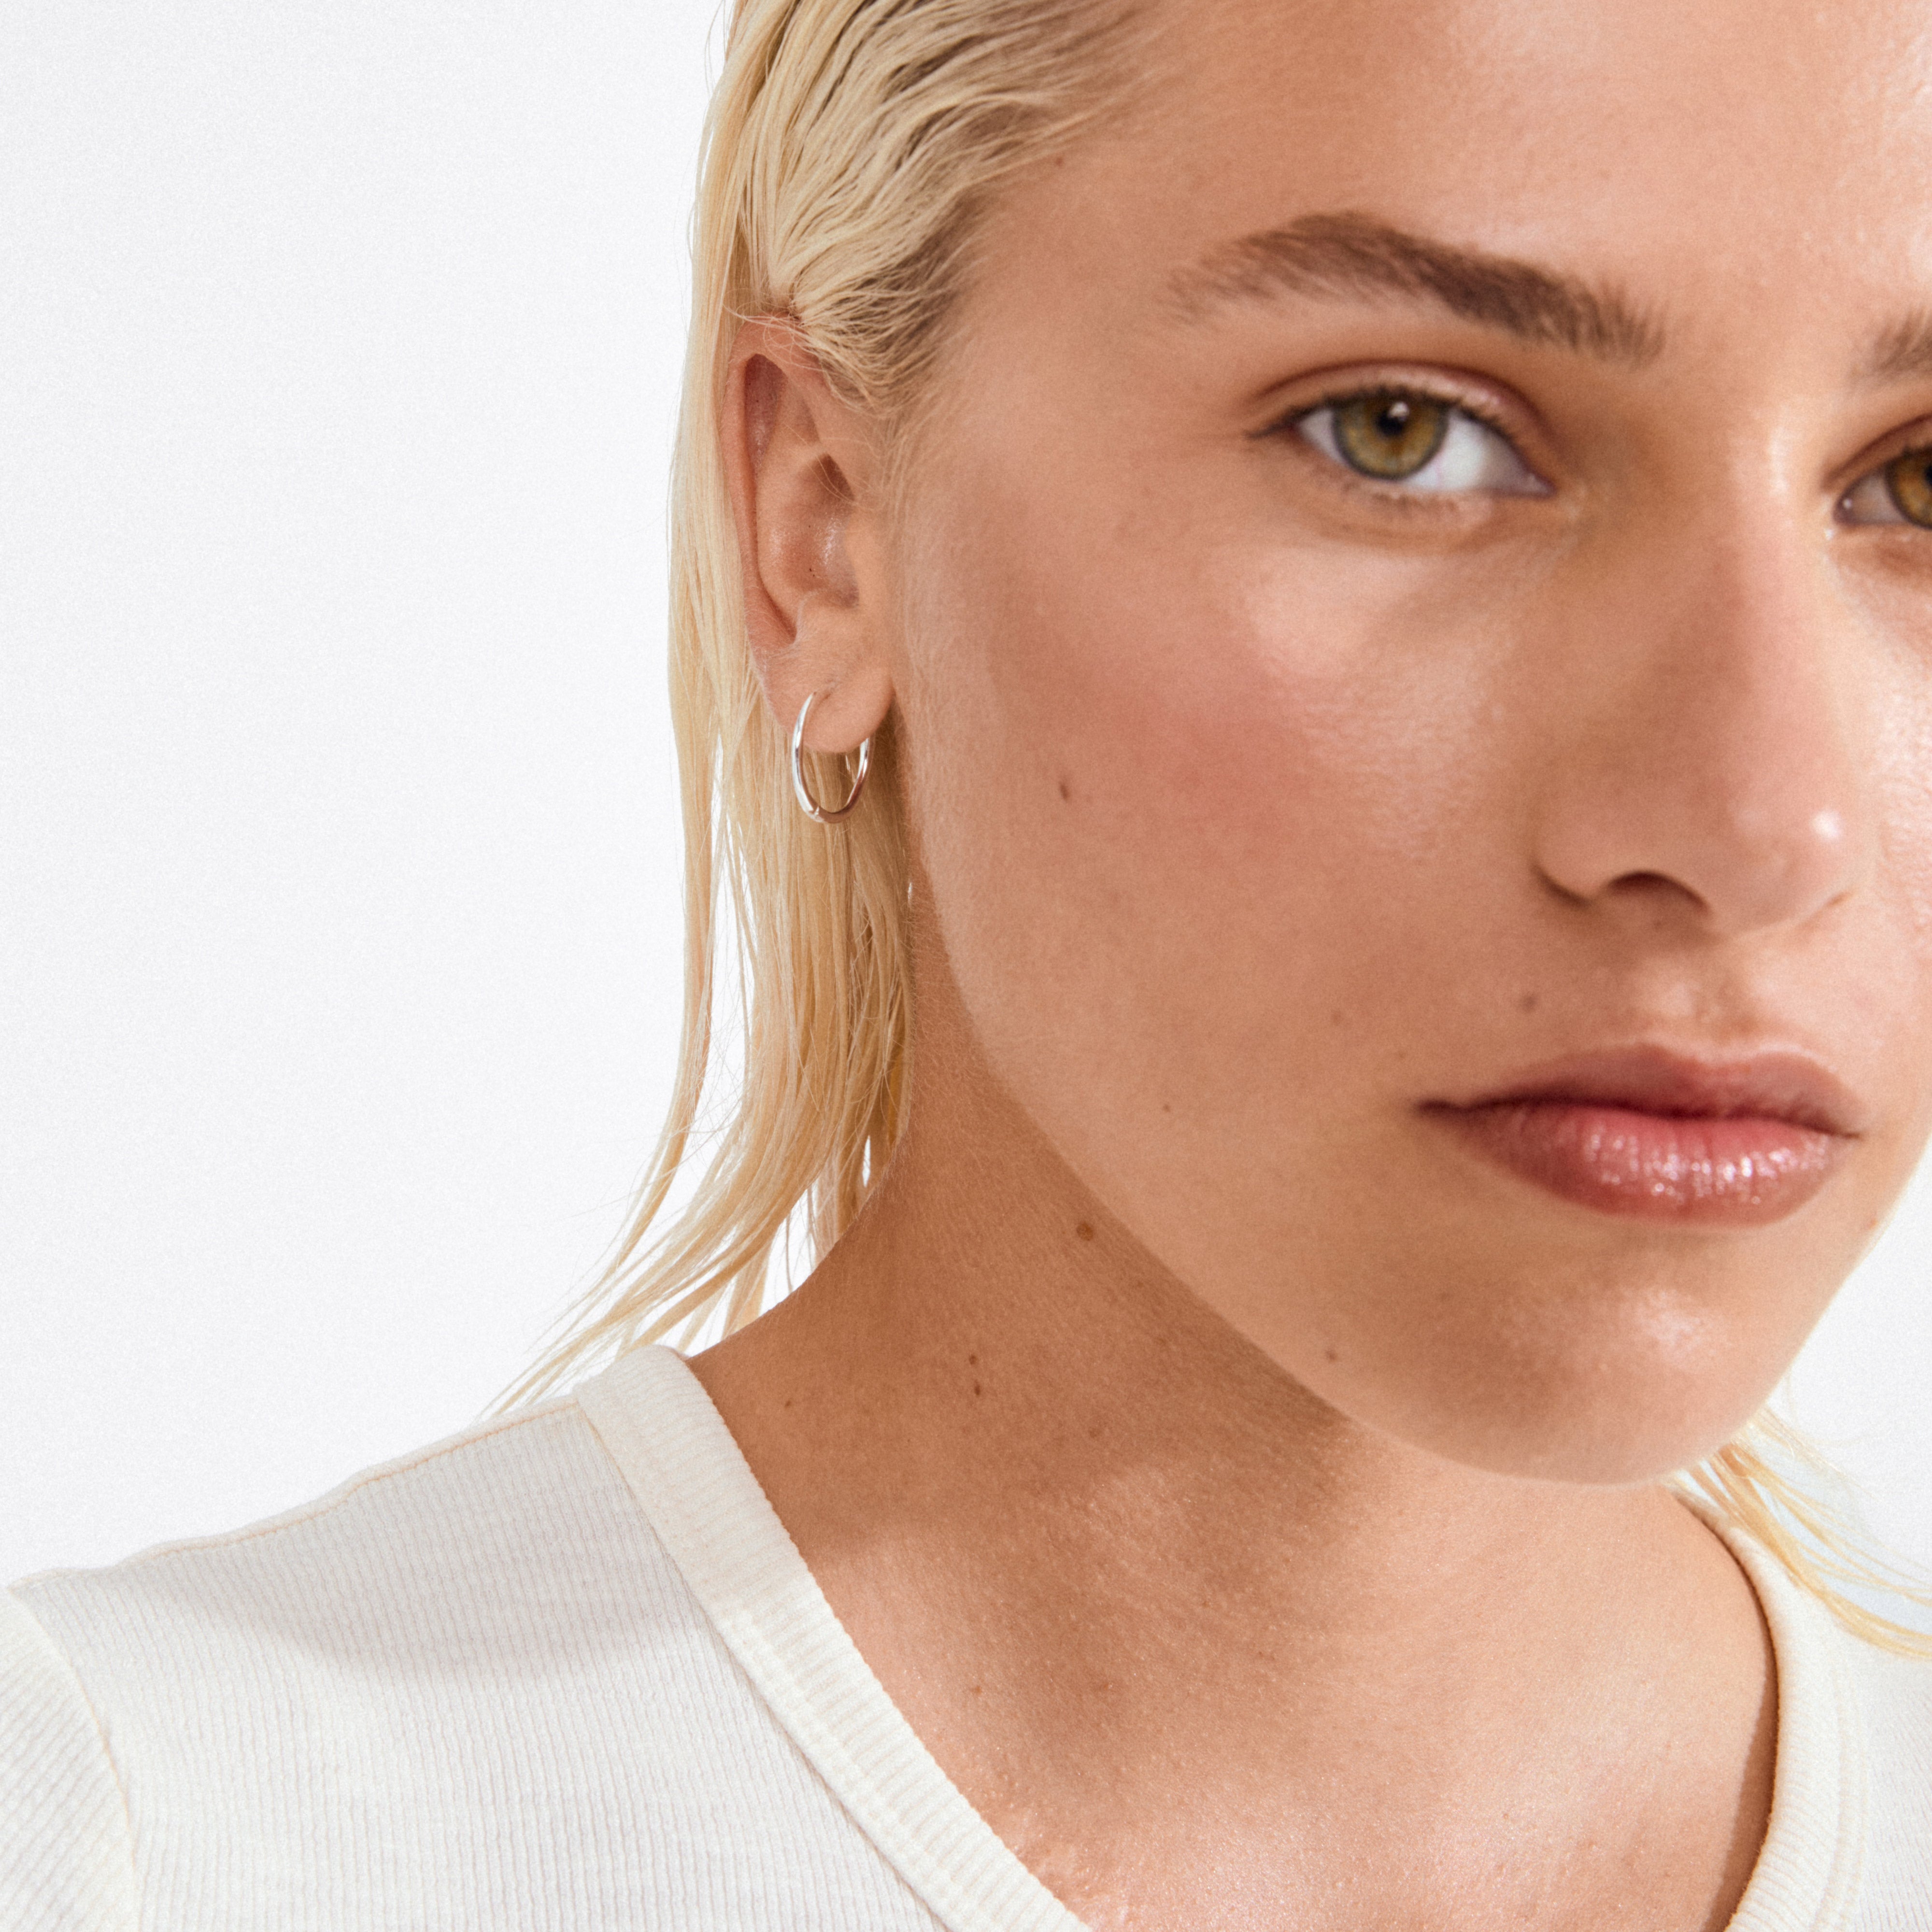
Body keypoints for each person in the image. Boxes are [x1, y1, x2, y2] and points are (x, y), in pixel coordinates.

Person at [7, 0, 1932, 1922]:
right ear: (821, 529)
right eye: (1402, 436)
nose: (1764, 831)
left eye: (1916, 486)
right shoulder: (153, 1834)